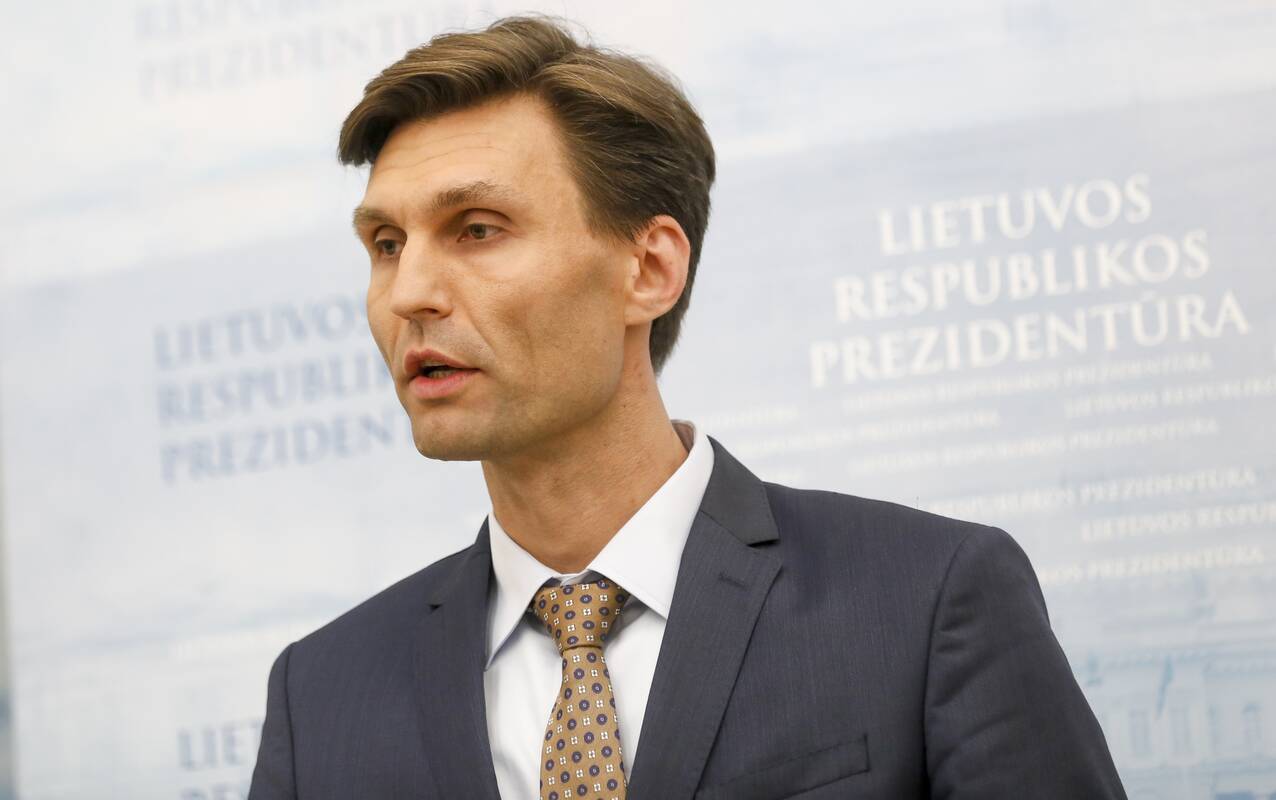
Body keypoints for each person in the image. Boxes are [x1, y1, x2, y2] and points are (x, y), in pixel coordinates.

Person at [247, 15, 1127, 800]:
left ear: (650, 269)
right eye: (386, 244)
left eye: (477, 229)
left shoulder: (925, 599)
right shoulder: (319, 698)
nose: (409, 292)